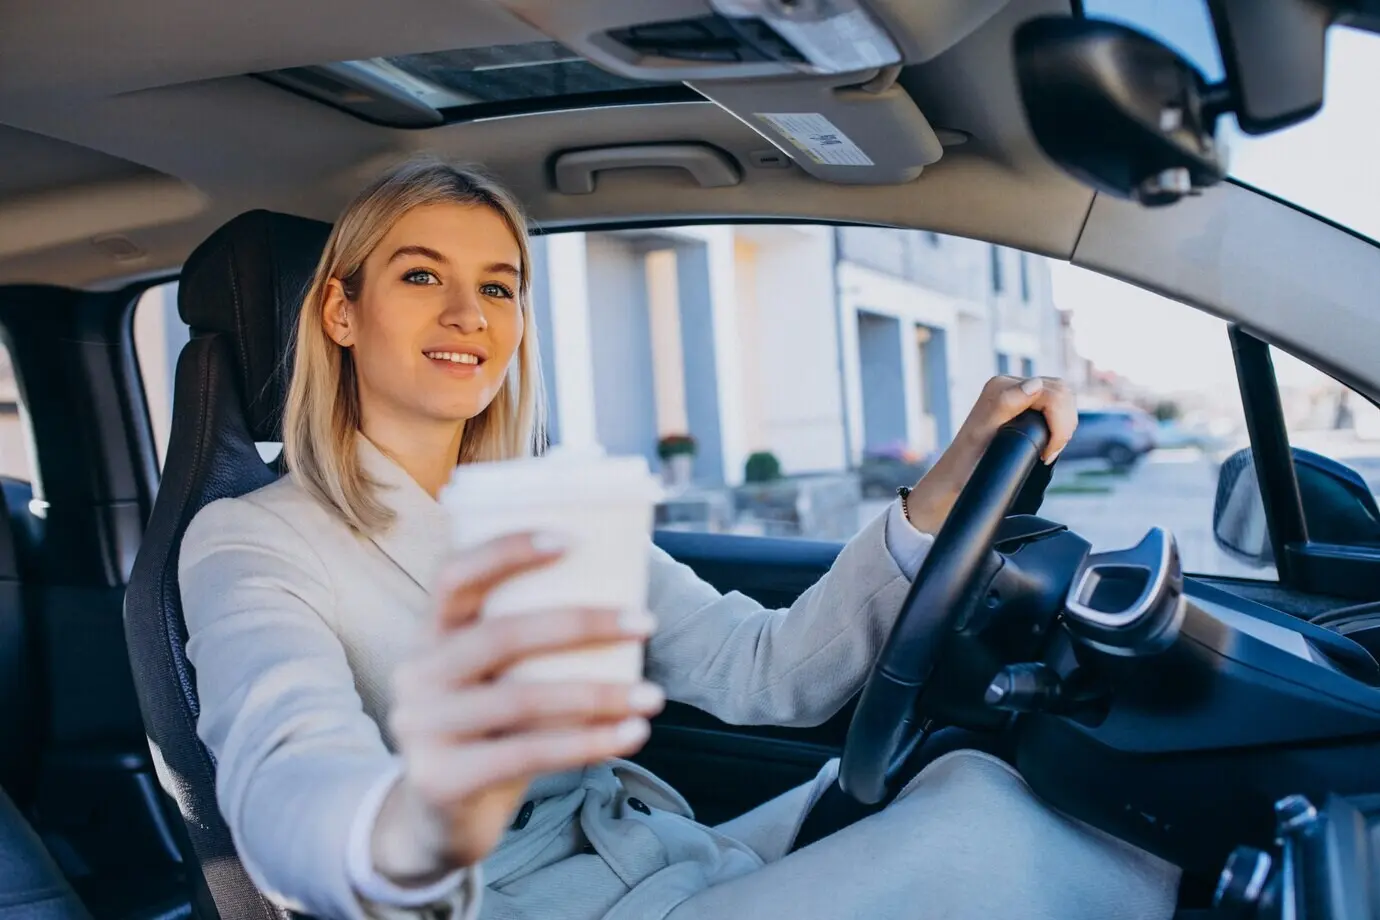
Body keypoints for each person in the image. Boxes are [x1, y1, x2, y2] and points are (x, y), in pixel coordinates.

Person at [179, 156, 1179, 920]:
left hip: (660, 856)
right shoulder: (252, 539)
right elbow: (284, 776)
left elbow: (766, 670)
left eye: (497, 285)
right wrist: (440, 801)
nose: (466, 313)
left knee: (981, 778)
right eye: (418, 275)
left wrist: (947, 482)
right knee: (1001, 848)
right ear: (340, 311)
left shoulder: (545, 505)